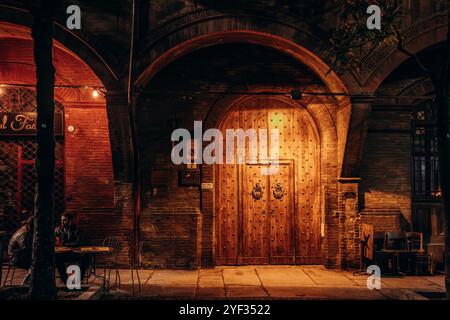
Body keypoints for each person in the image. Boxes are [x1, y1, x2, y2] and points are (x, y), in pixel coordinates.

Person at [55, 213, 89, 285]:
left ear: (70, 221)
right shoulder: (58, 229)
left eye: (64, 220)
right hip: (63, 253)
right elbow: (54, 242)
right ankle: (65, 280)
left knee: (86, 257)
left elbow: (78, 243)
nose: (62, 222)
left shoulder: (77, 230)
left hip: (75, 253)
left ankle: (79, 279)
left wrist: (64, 244)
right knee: (56, 258)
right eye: (61, 220)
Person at [7, 216, 34, 285]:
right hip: (16, 258)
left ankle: (30, 281)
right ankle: (26, 283)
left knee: (40, 261)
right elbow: (25, 248)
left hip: (17, 255)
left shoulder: (24, 229)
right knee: (39, 262)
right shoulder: (25, 232)